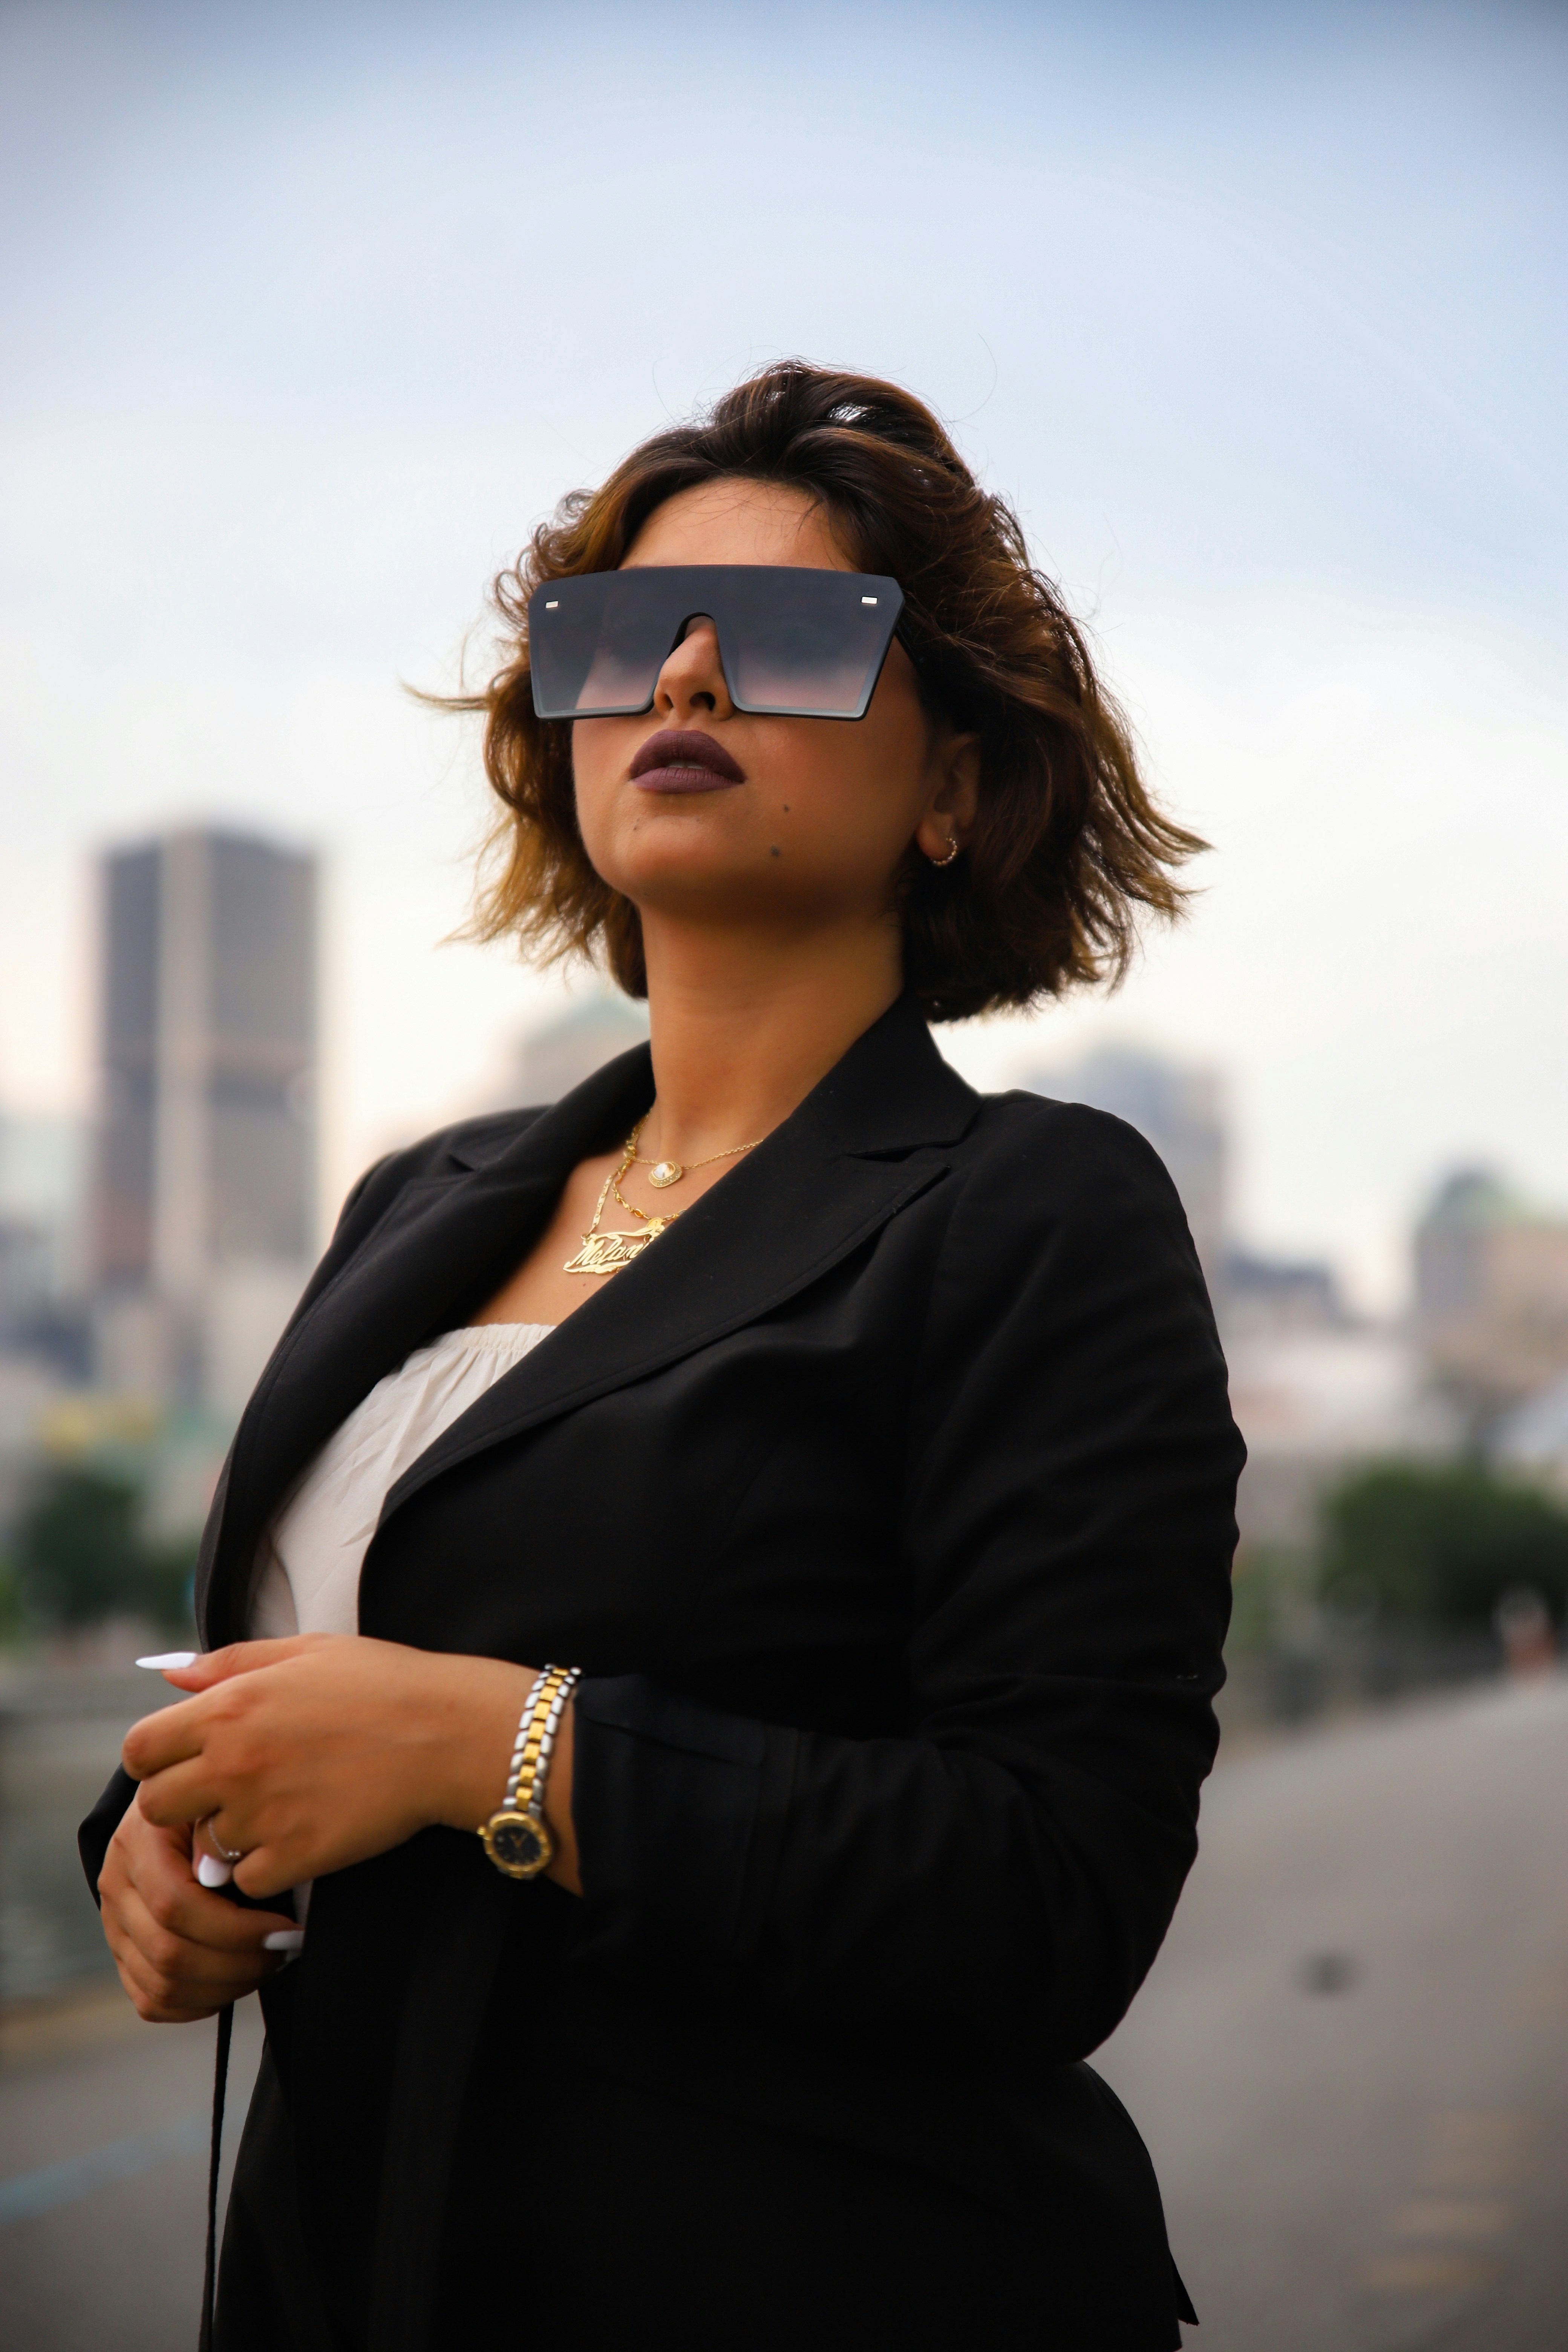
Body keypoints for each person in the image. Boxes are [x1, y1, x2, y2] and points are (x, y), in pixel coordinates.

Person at [81, 361, 1244, 2352]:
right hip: (340, 2267)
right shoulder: (421, 1202)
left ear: (952, 782)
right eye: (621, 632)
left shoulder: (1031, 1211)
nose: (686, 671)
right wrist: (148, 1845)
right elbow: (303, 1650)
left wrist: (491, 1748)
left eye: (792, 634)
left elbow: (1052, 1895)